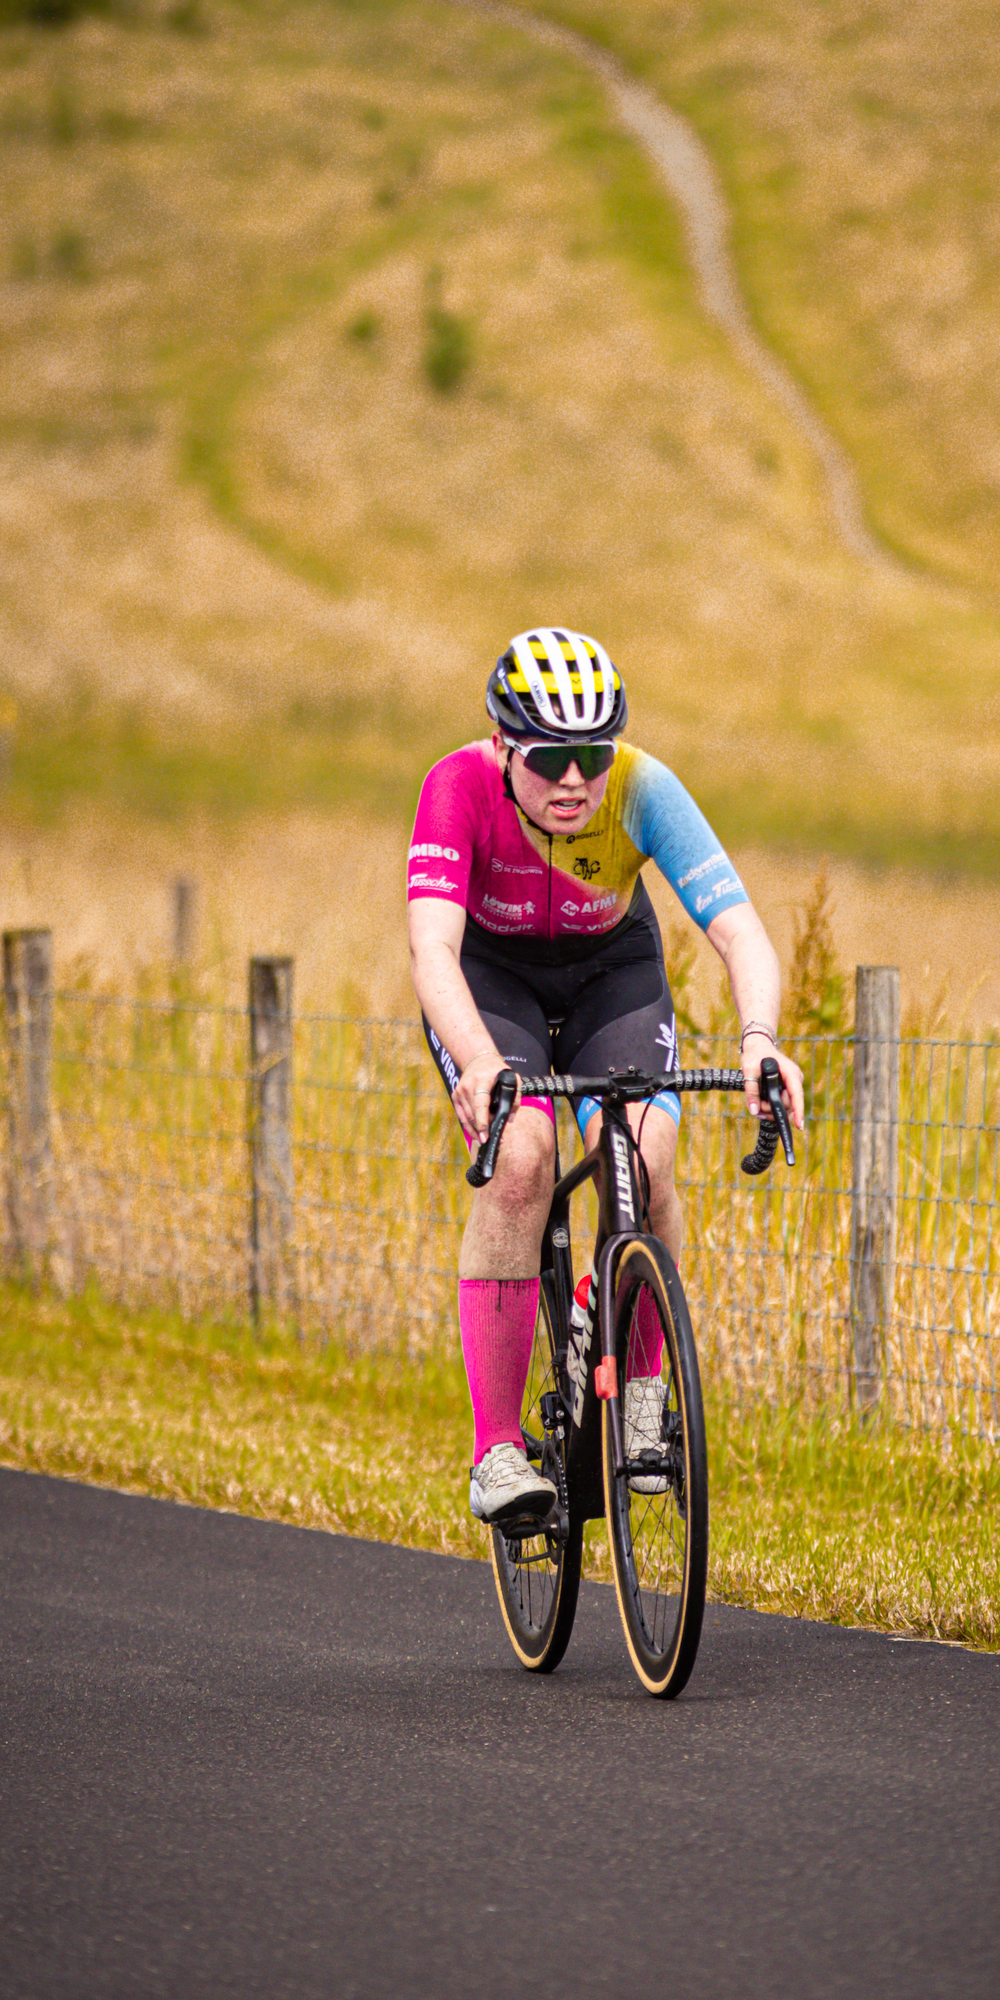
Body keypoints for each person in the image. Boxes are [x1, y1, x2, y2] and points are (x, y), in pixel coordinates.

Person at [407, 626, 807, 1528]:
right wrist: (479, 1065)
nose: (576, 779)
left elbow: (739, 930)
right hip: (492, 979)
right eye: (551, 758)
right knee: (522, 1159)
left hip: (609, 974)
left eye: (595, 751)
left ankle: (643, 1393)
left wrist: (759, 1040)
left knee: (646, 1152)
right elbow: (432, 949)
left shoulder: (642, 788)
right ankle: (497, 1452)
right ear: (506, 746)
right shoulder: (457, 788)